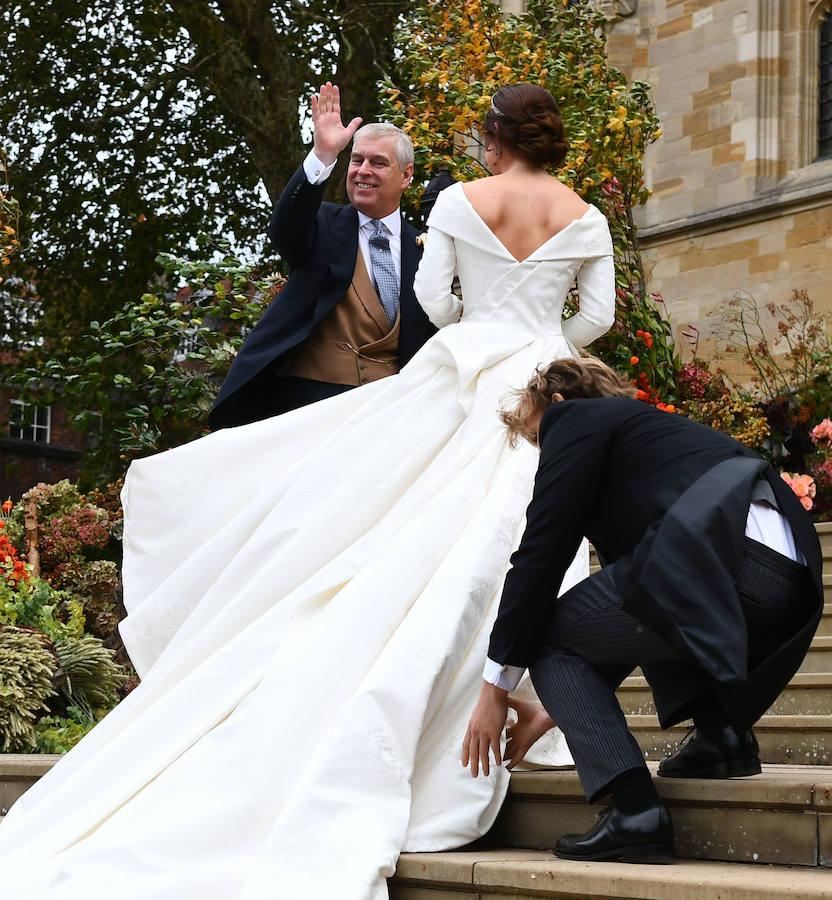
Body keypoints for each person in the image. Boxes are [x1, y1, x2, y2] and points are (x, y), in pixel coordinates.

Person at [0, 84, 615, 899]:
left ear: (498, 136)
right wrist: (542, 341)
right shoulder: (587, 217)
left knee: (390, 530)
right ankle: (535, 693)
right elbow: (597, 317)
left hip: (463, 376)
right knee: (526, 528)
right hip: (539, 378)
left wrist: (482, 324)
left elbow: (433, 303)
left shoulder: (462, 202)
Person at [463, 356, 823, 864]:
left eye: (537, 436)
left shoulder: (575, 420)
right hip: (788, 577)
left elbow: (541, 552)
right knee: (642, 588)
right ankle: (723, 737)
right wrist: (553, 709)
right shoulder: (649, 435)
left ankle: (635, 810)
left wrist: (495, 688)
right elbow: (625, 615)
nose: (544, 451)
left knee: (549, 636)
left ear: (558, 404)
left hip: (728, 563)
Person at [209, 82, 436, 430]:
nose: (363, 171)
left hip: (389, 413)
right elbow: (284, 230)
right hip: (309, 404)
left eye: (378, 163)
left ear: (406, 176)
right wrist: (323, 155)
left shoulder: (426, 248)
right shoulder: (324, 223)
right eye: (357, 160)